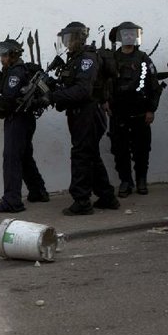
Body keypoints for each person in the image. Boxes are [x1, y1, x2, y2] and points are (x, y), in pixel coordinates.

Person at [49, 21, 120, 215]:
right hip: (80, 114)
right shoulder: (75, 59)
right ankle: (107, 197)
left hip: (89, 113)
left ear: (79, 38)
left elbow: (82, 91)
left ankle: (82, 201)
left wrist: (53, 97)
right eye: (64, 39)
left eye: (69, 39)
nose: (66, 43)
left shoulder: (87, 59)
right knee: (91, 155)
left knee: (81, 156)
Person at [0, 37, 49, 214]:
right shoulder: (13, 71)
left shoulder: (15, 73)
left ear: (13, 55)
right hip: (23, 120)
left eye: (4, 55)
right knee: (23, 157)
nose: (1, 58)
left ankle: (12, 201)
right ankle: (38, 191)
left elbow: (8, 102)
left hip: (18, 120)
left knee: (11, 160)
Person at [107, 21, 163, 197]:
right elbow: (104, 84)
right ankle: (125, 181)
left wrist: (151, 110)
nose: (130, 37)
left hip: (139, 112)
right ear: (120, 37)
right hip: (118, 113)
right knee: (119, 150)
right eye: (126, 34)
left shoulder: (144, 59)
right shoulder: (112, 60)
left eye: (133, 34)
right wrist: (105, 101)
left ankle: (141, 180)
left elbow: (154, 86)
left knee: (141, 150)